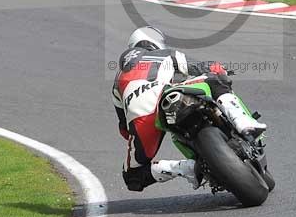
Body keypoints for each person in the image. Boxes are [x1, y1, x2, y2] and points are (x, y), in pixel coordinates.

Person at [112, 26, 267, 192]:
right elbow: (199, 67)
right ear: (155, 42)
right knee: (215, 79)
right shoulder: (165, 54)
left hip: (141, 120)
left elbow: (124, 129)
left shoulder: (116, 83)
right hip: (167, 95)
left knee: (132, 177)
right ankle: (243, 122)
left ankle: (184, 168)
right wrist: (219, 69)